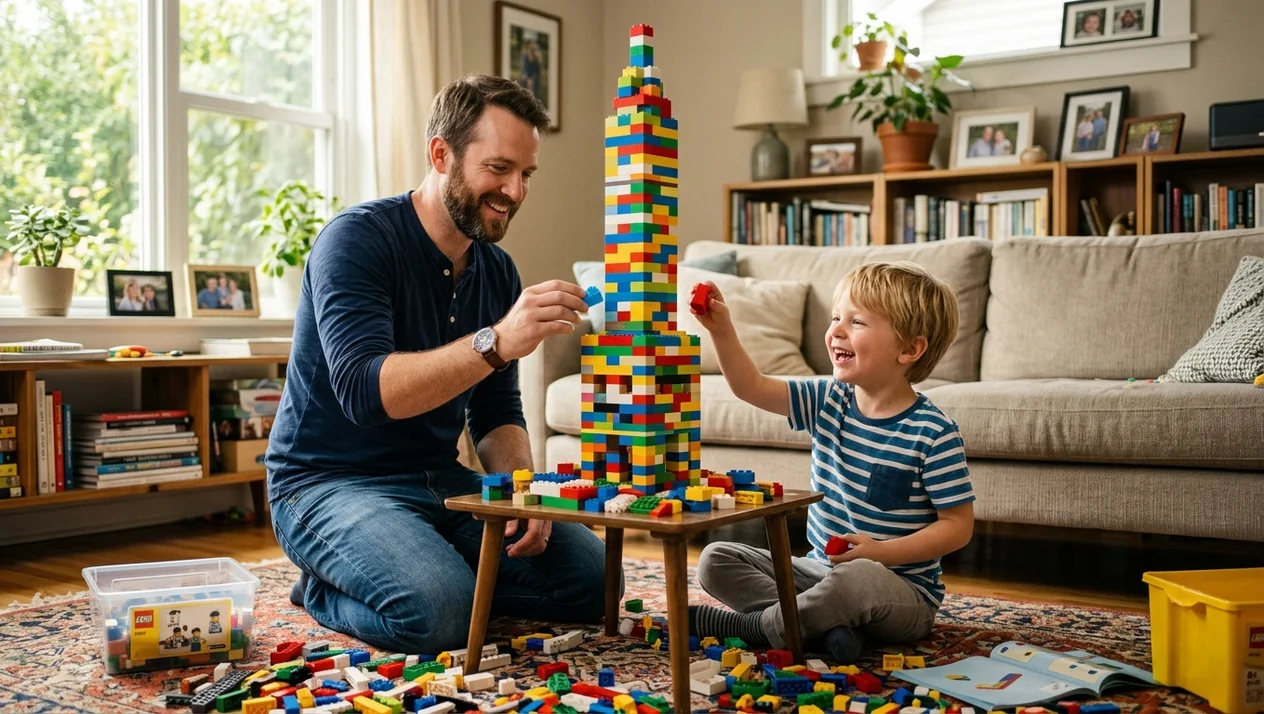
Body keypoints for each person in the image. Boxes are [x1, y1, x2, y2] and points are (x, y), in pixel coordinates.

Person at [264, 74, 609, 654]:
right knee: (440, 615)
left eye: (526, 174)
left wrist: (522, 490)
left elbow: (496, 410)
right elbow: (365, 392)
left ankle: (429, 570)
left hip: (438, 480)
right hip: (325, 484)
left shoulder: (496, 270)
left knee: (594, 582)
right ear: (441, 154)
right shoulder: (356, 241)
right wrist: (497, 341)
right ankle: (323, 587)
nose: (515, 191)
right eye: (498, 168)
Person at [684, 262, 975, 663]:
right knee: (716, 559)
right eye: (836, 317)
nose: (836, 330)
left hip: (901, 591)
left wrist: (882, 553)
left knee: (857, 578)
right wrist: (721, 330)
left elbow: (957, 527)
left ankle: (758, 628)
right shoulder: (828, 399)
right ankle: (827, 630)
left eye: (857, 322)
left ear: (909, 349)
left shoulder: (934, 432)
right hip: (820, 572)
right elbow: (752, 387)